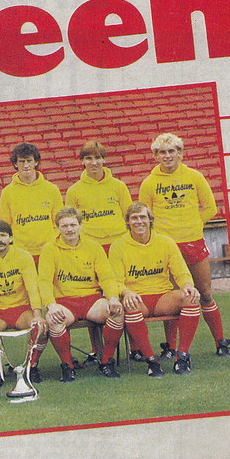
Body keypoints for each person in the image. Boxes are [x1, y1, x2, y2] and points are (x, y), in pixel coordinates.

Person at [139, 132, 230, 357]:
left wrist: (191, 225)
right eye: (162, 152)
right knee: (171, 297)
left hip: (193, 243)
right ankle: (170, 347)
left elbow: (209, 208)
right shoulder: (149, 183)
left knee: (205, 293)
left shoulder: (195, 176)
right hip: (166, 247)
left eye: (172, 151)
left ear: (180, 153)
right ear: (155, 156)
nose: (168, 156)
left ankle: (220, 342)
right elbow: (144, 215)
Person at [112, 203, 201, 375]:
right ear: (128, 222)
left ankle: (181, 356)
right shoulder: (118, 246)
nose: (139, 222)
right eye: (134, 218)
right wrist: (126, 292)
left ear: (150, 220)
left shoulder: (166, 242)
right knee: (130, 305)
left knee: (190, 297)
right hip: (137, 298)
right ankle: (151, 360)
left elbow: (181, 272)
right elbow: (115, 280)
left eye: (143, 217)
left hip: (162, 298)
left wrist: (188, 285)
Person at [38, 207, 124, 381]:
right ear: (57, 228)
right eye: (64, 226)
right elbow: (44, 282)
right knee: (53, 320)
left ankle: (106, 361)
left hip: (91, 299)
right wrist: (51, 305)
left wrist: (113, 297)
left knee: (117, 311)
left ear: (80, 226)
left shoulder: (93, 246)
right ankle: (67, 366)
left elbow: (106, 277)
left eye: (73, 225)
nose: (69, 229)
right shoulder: (49, 249)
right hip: (64, 301)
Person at [65, 141, 132, 362]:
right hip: (91, 251)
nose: (93, 163)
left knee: (120, 295)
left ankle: (135, 347)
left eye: (97, 158)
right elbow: (73, 223)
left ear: (104, 159)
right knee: (94, 297)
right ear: (82, 161)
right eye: (88, 158)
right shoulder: (74, 191)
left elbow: (127, 217)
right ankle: (97, 350)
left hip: (117, 247)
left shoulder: (119, 186)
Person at [0, 219, 47, 385]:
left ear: (11, 238)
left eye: (3, 235)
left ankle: (31, 366)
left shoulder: (24, 256)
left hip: (21, 309)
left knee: (41, 327)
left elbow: (32, 287)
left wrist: (37, 314)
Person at [0, 142, 63, 261]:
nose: (26, 165)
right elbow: (6, 226)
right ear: (15, 164)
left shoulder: (51, 189)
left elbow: (58, 223)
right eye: (22, 161)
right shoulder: (7, 192)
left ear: (36, 162)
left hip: (49, 250)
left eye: (29, 161)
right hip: (21, 253)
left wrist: (52, 242)